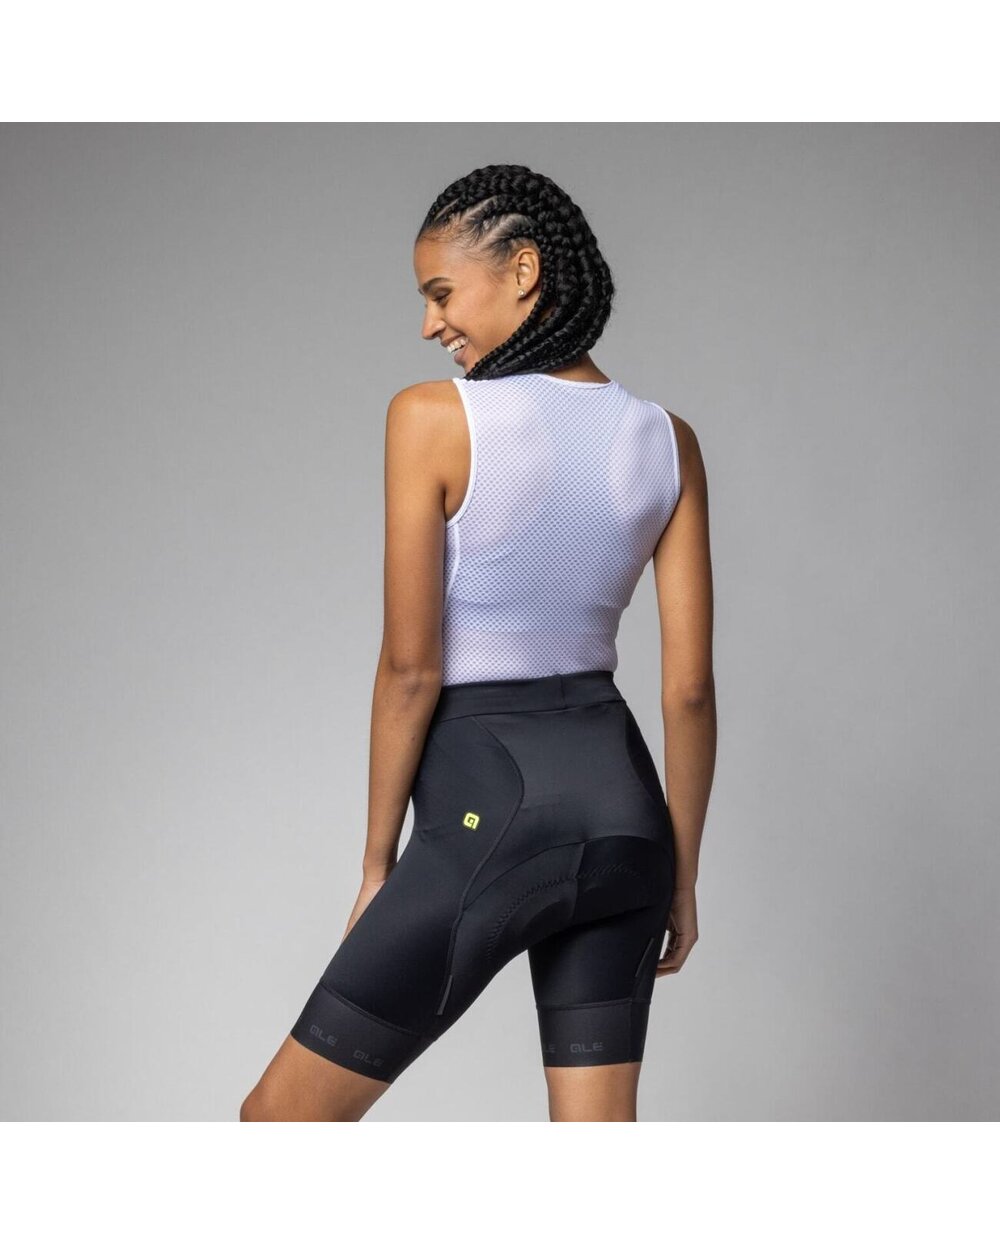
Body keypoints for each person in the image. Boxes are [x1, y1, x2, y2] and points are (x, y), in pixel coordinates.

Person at [240, 163, 715, 1122]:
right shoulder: (669, 440)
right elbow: (690, 692)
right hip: (628, 817)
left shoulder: (431, 418)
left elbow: (410, 669)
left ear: (524, 270)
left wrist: (378, 866)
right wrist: (681, 873)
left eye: (441, 292)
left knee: (279, 1126)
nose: (430, 324)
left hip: (491, 816)